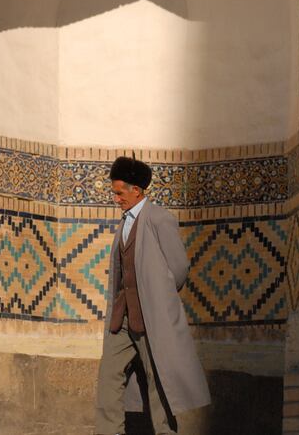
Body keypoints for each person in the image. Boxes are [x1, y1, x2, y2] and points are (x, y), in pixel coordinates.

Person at [95, 156, 210, 435]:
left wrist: (160, 295)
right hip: (121, 320)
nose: (115, 198)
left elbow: (179, 267)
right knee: (108, 378)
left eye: (119, 192)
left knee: (159, 381)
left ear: (137, 190)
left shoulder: (159, 218)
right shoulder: (123, 224)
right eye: (114, 192)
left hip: (151, 318)